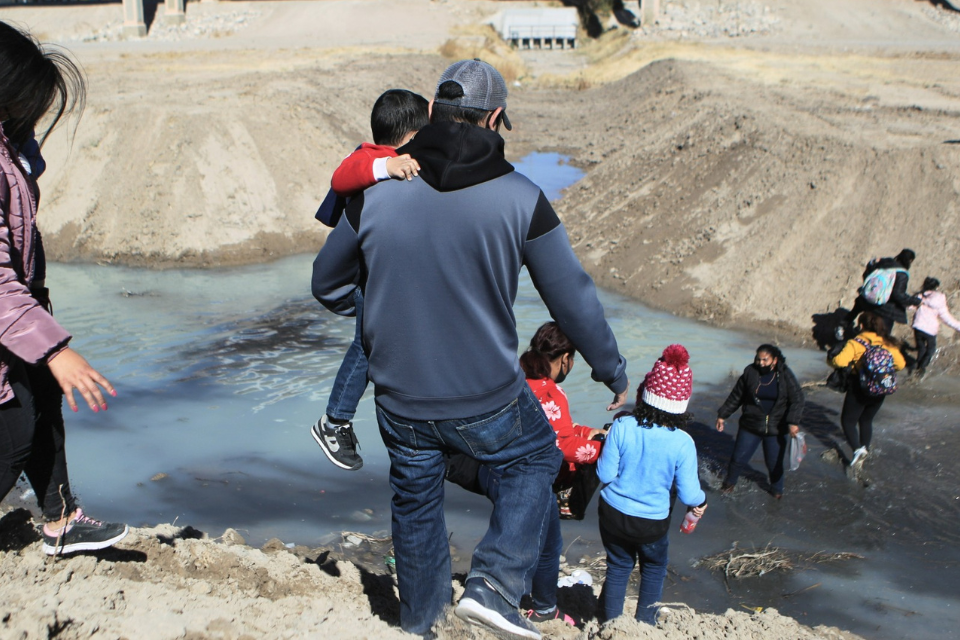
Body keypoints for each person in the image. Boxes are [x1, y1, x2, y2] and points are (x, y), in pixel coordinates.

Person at [313, 59, 628, 639]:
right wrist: (611, 369)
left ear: (433, 111)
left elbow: (327, 285)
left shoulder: (378, 188)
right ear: (496, 117)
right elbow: (573, 299)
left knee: (415, 506)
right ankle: (494, 585)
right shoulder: (522, 197)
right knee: (536, 457)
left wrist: (390, 313)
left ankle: (421, 625)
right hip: (486, 397)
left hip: (399, 400)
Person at [0, 21, 128, 555]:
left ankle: (61, 520)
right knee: (14, 435)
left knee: (45, 409)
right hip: (10, 320)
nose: (35, 115)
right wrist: (54, 350)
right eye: (27, 102)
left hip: (22, 318)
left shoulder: (8, 148)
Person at [310, 89, 428, 471]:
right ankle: (334, 421)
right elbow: (341, 176)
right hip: (370, 279)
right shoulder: (370, 159)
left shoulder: (402, 160)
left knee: (377, 345)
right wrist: (387, 166)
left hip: (385, 277)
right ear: (413, 136)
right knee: (365, 347)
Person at [596, 344, 706, 625]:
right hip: (651, 521)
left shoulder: (622, 426)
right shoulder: (683, 442)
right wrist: (701, 502)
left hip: (612, 512)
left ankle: (611, 625)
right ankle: (644, 624)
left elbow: (605, 475)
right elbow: (689, 494)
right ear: (682, 404)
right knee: (654, 568)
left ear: (646, 392)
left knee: (618, 566)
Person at [716, 344, 804, 499]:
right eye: (758, 359)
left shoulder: (784, 374)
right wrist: (722, 415)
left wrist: (793, 422)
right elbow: (737, 396)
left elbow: (797, 399)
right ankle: (728, 486)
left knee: (774, 464)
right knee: (738, 459)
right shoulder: (750, 372)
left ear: (774, 360)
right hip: (750, 425)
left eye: (765, 360)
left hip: (777, 428)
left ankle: (777, 492)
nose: (761, 363)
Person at [830, 311, 906, 469]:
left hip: (859, 387)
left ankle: (857, 450)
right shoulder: (887, 343)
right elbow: (901, 364)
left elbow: (840, 362)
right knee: (866, 420)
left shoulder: (856, 343)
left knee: (848, 421)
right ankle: (864, 450)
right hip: (880, 387)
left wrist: (831, 360)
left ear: (862, 325)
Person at [843, 249, 921, 335]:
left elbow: (866, 275)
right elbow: (898, 294)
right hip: (884, 308)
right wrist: (916, 301)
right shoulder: (902, 274)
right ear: (910, 261)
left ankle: (842, 328)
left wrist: (872, 290)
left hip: (866, 299)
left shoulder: (883, 263)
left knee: (856, 315)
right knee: (882, 335)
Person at [911, 276, 960, 378]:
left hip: (917, 327)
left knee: (921, 348)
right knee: (931, 349)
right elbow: (946, 318)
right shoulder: (939, 299)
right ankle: (921, 369)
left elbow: (909, 306)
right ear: (936, 287)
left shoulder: (920, 296)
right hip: (930, 330)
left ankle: (917, 368)